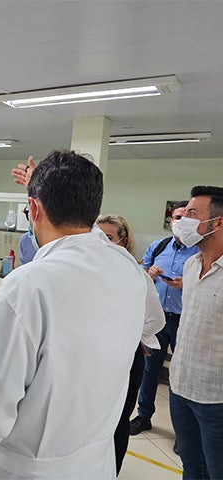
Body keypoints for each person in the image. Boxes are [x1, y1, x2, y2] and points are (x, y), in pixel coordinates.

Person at [0, 150, 164, 479]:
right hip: (96, 463)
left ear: (33, 209)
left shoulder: (26, 287)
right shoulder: (130, 271)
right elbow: (151, 324)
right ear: (93, 210)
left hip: (26, 469)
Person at [129, 201, 199, 437]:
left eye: (185, 218)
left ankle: (184, 432)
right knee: (150, 371)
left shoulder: (200, 251)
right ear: (170, 221)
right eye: (177, 218)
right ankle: (144, 416)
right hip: (158, 319)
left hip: (185, 320)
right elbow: (142, 276)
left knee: (182, 376)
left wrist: (186, 283)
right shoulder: (158, 247)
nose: (180, 222)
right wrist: (149, 274)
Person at [168, 186, 223, 480]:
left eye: (192, 214)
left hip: (217, 397)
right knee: (192, 467)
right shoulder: (191, 266)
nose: (182, 221)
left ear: (218, 222)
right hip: (180, 387)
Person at [96, 214, 158, 475]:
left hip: (125, 357)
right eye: (97, 237)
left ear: (123, 242)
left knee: (118, 420)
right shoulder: (88, 271)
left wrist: (134, 336)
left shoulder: (134, 273)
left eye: (108, 238)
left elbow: (154, 318)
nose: (101, 243)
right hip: (95, 356)